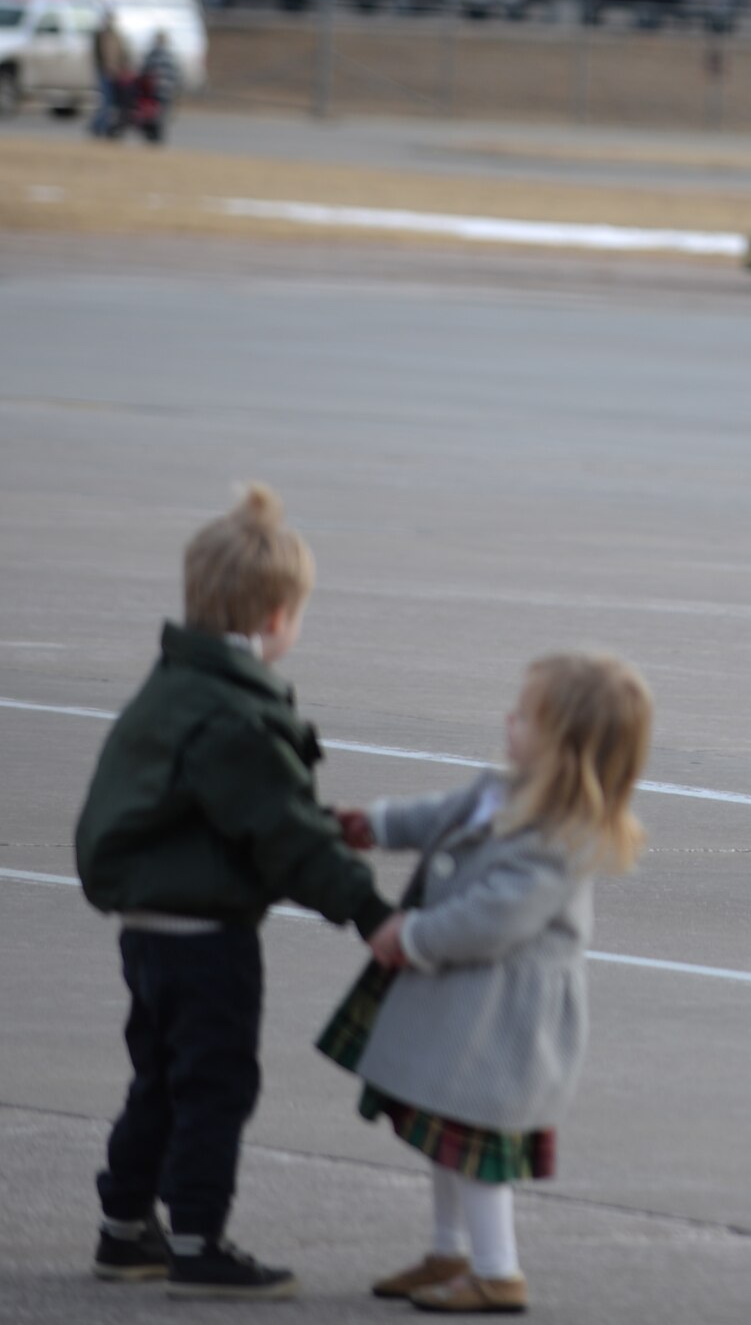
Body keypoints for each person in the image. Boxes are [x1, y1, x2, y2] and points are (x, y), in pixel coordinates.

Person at [75, 483, 394, 1300]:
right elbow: (281, 829)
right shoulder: (234, 716)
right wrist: (368, 909)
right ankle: (198, 1242)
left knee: (159, 1076)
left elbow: (230, 808)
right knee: (216, 1083)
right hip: (205, 935)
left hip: (148, 926)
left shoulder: (174, 684)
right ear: (279, 614)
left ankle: (124, 1228)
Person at [318, 652, 653, 1315]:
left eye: (527, 717)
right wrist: (375, 823)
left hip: (502, 1019)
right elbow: (438, 813)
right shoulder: (500, 789)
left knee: (475, 1146)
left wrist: (410, 936)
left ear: (567, 746)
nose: (510, 720)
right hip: (462, 1005)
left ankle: (499, 1271)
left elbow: (492, 917)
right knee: (439, 1130)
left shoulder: (565, 838)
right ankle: (450, 1252)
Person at [90, 8, 129, 139]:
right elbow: (99, 55)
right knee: (106, 101)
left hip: (116, 74)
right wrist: (104, 68)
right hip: (105, 73)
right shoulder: (101, 35)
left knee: (112, 103)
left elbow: (123, 53)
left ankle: (104, 126)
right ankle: (98, 126)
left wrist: (122, 68)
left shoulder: (117, 35)